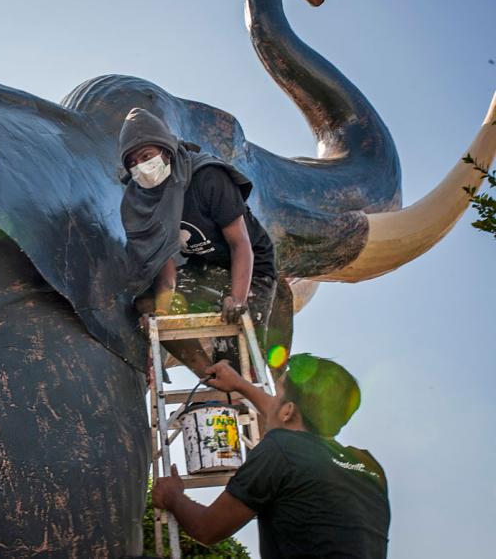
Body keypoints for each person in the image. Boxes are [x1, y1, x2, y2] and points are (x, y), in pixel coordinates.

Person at [152, 354, 391, 558]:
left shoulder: (281, 449)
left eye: (277, 394)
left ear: (288, 411)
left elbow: (207, 529)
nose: (272, 399)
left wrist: (173, 496)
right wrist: (241, 385)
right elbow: (293, 423)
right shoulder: (368, 466)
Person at [118, 107, 277, 375]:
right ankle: (211, 375)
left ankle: (233, 381)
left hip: (250, 268)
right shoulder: (144, 201)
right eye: (132, 163)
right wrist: (164, 311)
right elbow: (164, 261)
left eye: (146, 156)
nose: (141, 167)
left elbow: (240, 244)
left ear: (166, 151)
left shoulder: (207, 177)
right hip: (205, 268)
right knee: (148, 306)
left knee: (233, 345)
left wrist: (237, 298)